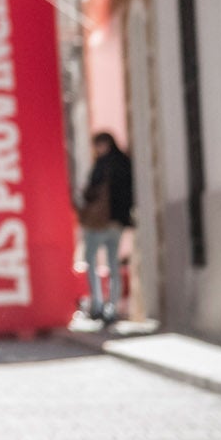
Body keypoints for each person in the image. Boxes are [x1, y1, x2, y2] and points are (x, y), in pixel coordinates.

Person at [79, 131, 135, 324]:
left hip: (99, 222)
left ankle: (98, 304)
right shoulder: (125, 163)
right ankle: (112, 305)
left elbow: (91, 192)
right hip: (117, 222)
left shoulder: (103, 165)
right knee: (113, 263)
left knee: (91, 260)